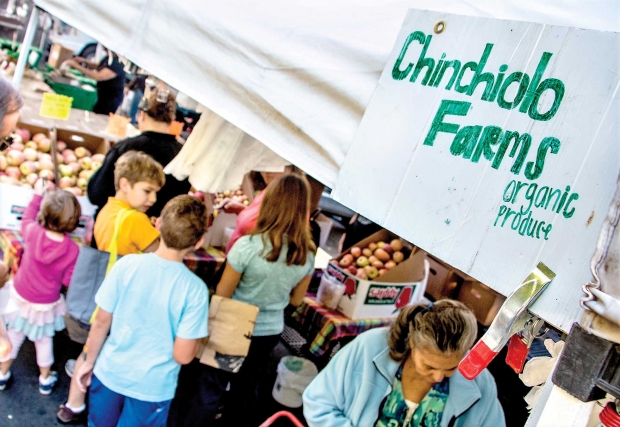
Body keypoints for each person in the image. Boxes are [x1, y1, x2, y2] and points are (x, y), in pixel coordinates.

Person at [168, 173, 316, 427]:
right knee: (245, 391)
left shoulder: (248, 246)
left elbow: (224, 293)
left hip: (233, 325)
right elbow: (296, 300)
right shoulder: (307, 254)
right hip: (269, 331)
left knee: (210, 387)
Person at [75, 195, 209, 427]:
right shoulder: (195, 290)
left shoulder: (126, 265)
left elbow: (101, 321)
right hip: (152, 388)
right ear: (199, 242)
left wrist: (89, 361)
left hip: (110, 373)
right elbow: (183, 355)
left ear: (157, 225)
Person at [57, 150, 165, 423]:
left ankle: (72, 404)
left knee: (88, 350)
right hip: (121, 301)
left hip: (97, 297)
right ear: (125, 184)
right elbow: (162, 254)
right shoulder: (136, 220)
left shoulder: (109, 209)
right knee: (108, 356)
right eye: (147, 191)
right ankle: (102, 409)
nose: (152, 199)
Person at [302, 300, 506, 427]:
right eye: (429, 366)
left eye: (451, 368)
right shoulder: (369, 347)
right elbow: (318, 402)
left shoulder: (481, 383)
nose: (438, 377)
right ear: (411, 344)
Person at [0, 179, 81, 394]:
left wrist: (37, 195)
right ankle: (45, 380)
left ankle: (2, 374)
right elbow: (67, 281)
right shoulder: (72, 250)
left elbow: (26, 217)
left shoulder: (33, 231)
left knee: (14, 336)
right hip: (45, 304)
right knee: (44, 341)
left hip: (19, 295)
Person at [87, 87, 190, 223]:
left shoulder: (125, 148)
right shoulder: (183, 157)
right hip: (155, 235)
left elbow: (96, 193)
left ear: (141, 115)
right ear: (171, 120)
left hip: (115, 228)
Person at [63, 50, 126, 115]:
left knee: (100, 116)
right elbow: (99, 66)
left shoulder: (118, 63)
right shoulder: (109, 58)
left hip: (111, 98)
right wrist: (84, 61)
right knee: (96, 111)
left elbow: (99, 76)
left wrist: (77, 66)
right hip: (102, 94)